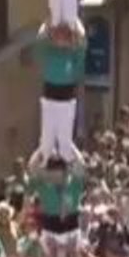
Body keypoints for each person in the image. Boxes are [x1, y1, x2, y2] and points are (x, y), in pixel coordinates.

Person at [28, 150, 85, 257]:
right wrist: (42, 148)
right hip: (50, 230)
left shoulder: (75, 185)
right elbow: (32, 167)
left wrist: (69, 146)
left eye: (57, 174)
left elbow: (81, 166)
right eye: (51, 174)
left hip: (71, 230)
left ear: (65, 172)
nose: (54, 178)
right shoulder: (42, 184)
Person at [35, 20, 87, 163]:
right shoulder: (47, 51)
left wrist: (74, 20)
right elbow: (39, 39)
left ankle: (69, 165)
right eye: (58, 35)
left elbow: (82, 40)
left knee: (65, 143)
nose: (61, 39)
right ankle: (45, 165)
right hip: (49, 100)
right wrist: (47, 23)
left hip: (67, 102)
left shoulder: (74, 53)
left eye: (65, 36)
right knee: (46, 144)